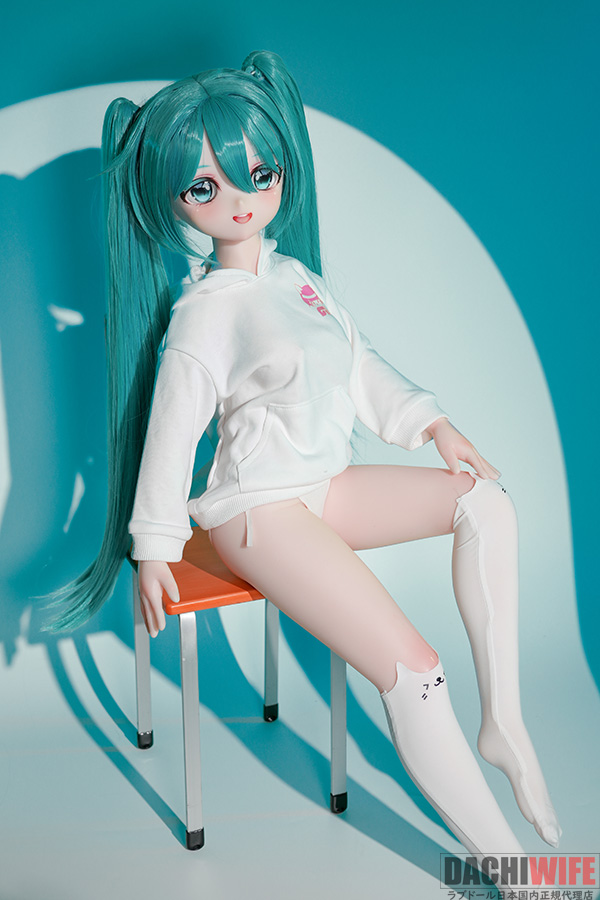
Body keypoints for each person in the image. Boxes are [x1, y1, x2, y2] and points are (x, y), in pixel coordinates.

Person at [46, 49, 560, 857]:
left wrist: (435, 426)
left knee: (484, 502)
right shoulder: (204, 312)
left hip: (326, 485)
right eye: (206, 188)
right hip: (260, 513)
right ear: (173, 198)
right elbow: (170, 431)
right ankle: (513, 867)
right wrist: (154, 547)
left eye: (259, 174)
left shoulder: (297, 279)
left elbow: (360, 364)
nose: (241, 199)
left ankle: (505, 722)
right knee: (416, 671)